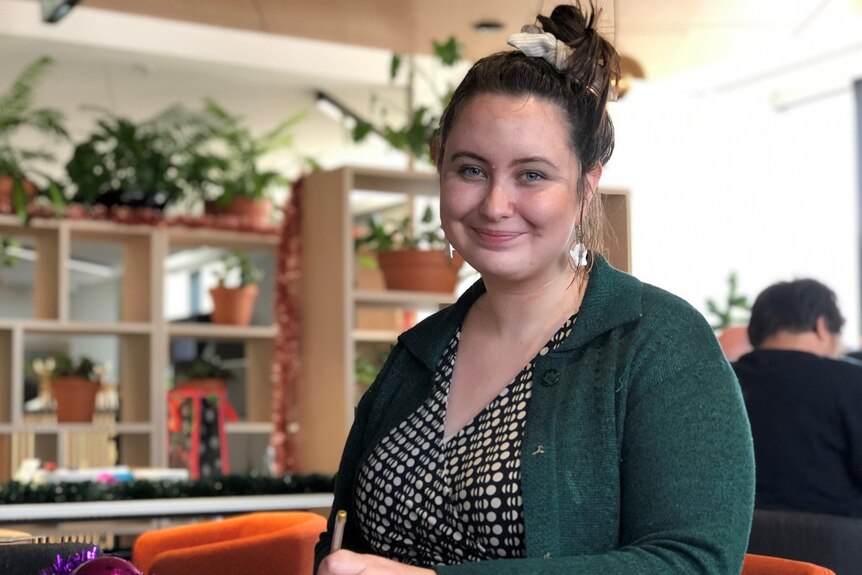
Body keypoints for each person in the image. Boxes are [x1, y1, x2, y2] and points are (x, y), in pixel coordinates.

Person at [316, 3, 754, 574]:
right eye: (470, 169)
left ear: (585, 186)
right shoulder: (417, 354)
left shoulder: (658, 342)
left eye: (532, 174)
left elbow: (694, 564)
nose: (496, 204)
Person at [733, 278, 862, 517]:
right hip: (836, 547)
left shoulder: (721, 380)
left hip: (737, 547)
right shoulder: (852, 382)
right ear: (822, 326)